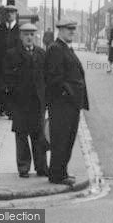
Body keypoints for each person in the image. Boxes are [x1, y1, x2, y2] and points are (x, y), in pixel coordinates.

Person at [45, 20, 89, 186]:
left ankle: (61, 172)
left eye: (73, 29)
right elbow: (54, 78)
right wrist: (66, 94)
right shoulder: (56, 49)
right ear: (60, 31)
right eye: (68, 29)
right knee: (61, 140)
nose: (72, 32)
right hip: (62, 104)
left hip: (70, 104)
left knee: (67, 139)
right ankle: (56, 174)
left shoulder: (64, 48)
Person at [4, 22, 48, 178]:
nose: (29, 38)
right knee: (21, 135)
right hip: (20, 102)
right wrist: (9, 103)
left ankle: (41, 167)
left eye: (31, 34)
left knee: (39, 135)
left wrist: (46, 100)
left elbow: (46, 79)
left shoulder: (42, 54)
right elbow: (7, 79)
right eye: (26, 35)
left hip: (37, 102)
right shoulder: (12, 54)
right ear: (20, 37)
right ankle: (23, 167)